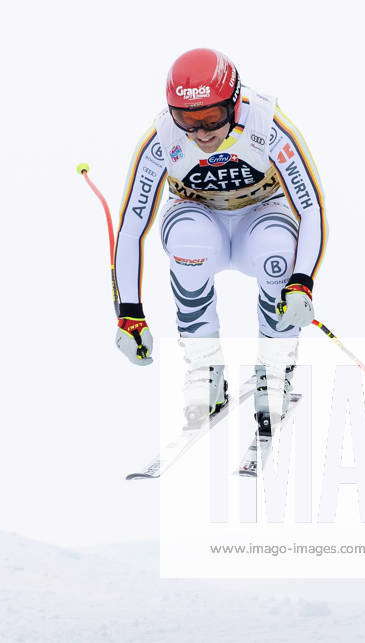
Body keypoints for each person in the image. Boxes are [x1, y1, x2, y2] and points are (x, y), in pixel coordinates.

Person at [111, 47, 327, 433]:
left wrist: (302, 282)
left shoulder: (267, 125)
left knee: (277, 250)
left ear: (235, 103)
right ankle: (205, 368)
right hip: (199, 218)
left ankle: (275, 371)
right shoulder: (162, 138)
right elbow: (131, 225)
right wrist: (129, 312)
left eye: (212, 117)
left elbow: (310, 207)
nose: (201, 133)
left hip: (259, 219)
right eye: (187, 120)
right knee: (189, 239)